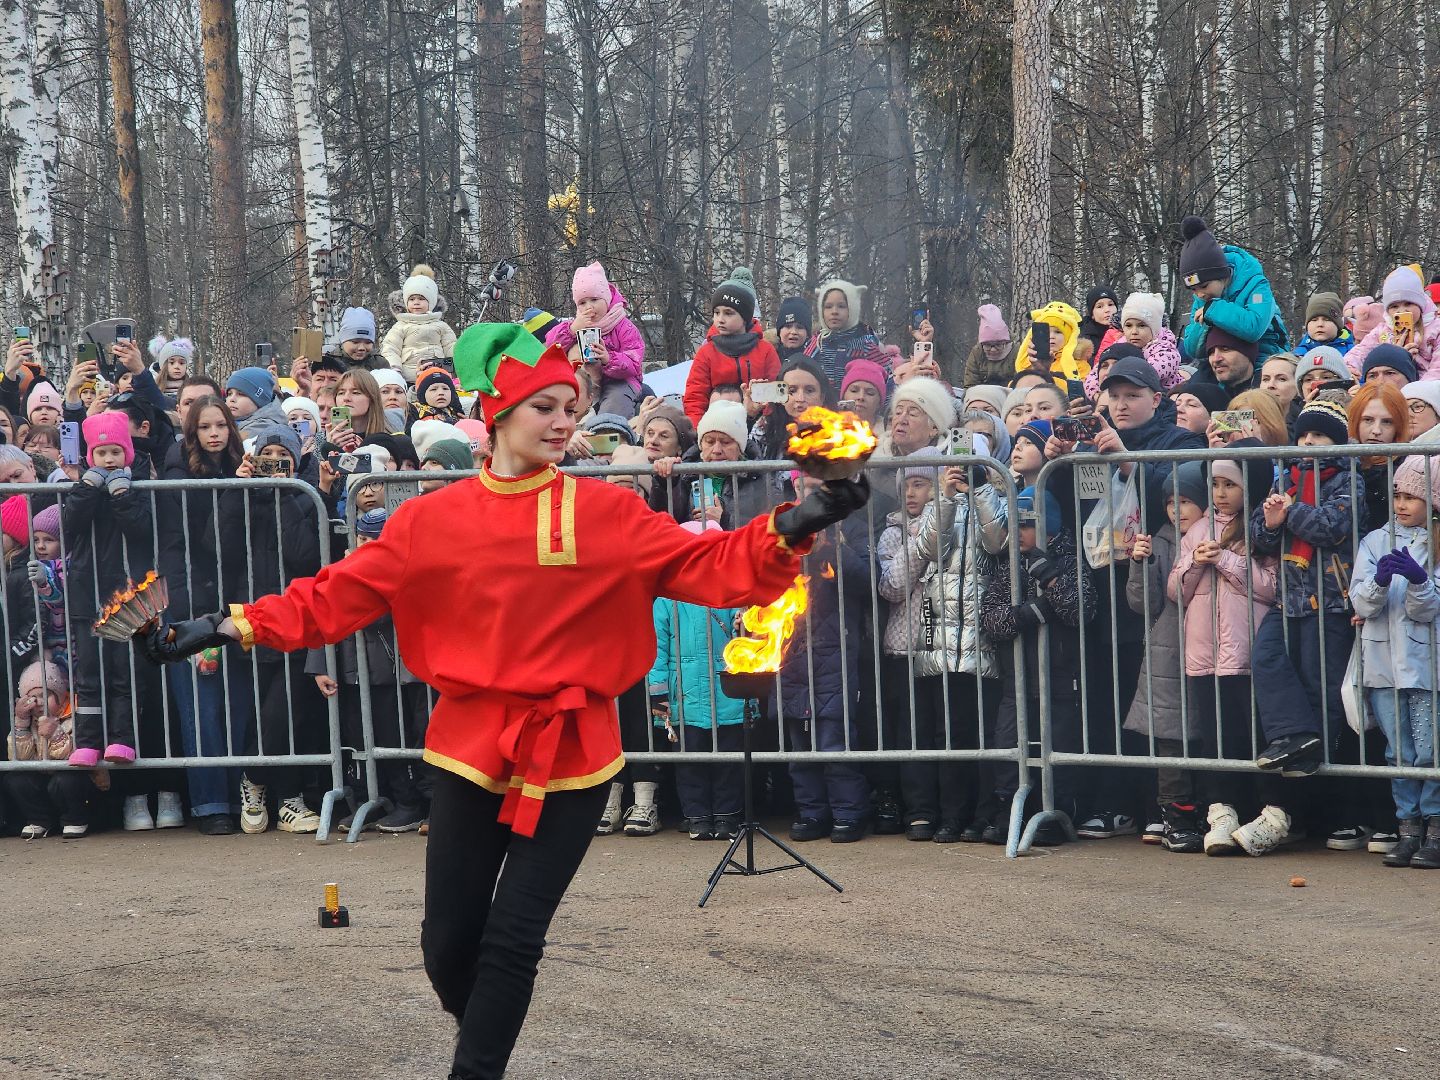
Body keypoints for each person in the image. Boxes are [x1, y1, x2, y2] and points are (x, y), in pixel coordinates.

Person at [138, 322, 866, 1080]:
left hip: (574, 751)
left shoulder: (608, 512)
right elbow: (336, 597)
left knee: (514, 937)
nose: (562, 423)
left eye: (571, 410)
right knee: (447, 944)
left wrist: (803, 517)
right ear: (498, 415)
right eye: (545, 407)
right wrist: (228, 624)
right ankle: (483, 1039)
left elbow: (711, 564)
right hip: (468, 745)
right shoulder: (429, 520)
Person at [1246, 399, 1360, 852]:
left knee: (1324, 690)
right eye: (1304, 435)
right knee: (1265, 656)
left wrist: (1288, 513)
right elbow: (1259, 534)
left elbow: (1332, 525)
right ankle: (1294, 737)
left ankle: (1332, 809)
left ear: (1337, 444)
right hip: (1288, 599)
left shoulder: (1345, 478)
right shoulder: (1284, 478)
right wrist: (1273, 521)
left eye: (1320, 437)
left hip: (1330, 602)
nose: (1308, 443)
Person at [1166, 459, 1280, 855]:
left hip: (1246, 653)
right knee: (1216, 737)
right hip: (1203, 656)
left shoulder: (1258, 528)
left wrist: (1226, 560)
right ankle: (1221, 812)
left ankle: (1258, 813)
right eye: (1214, 484)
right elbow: (1176, 591)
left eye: (1229, 484)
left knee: (1252, 734)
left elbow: (1269, 586)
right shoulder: (1197, 529)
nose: (1219, 493)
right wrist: (1196, 562)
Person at [222, 426, 328, 834]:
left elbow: (305, 556)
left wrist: (285, 493)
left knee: (287, 711)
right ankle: (265, 787)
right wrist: (239, 490)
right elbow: (220, 547)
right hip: (248, 617)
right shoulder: (242, 494)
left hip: (295, 618)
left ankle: (273, 788)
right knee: (262, 713)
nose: (274, 462)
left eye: (281, 455)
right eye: (266, 454)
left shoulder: (304, 498)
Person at [978, 486, 1095, 843]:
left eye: (1026, 524)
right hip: (1017, 677)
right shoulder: (1009, 566)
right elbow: (992, 620)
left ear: (1049, 526)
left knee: (1057, 741)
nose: (1019, 532)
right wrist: (1031, 613)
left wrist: (1050, 575)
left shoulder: (1071, 560)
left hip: (1061, 677)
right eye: (1015, 523)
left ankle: (1055, 811)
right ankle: (1007, 809)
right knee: (1009, 741)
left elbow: (1080, 610)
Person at [158, 394, 249, 834]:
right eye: (205, 427)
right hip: (191, 599)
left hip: (236, 597)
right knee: (201, 705)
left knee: (238, 703)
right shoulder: (179, 474)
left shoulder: (239, 464)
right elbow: (206, 540)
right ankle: (212, 803)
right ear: (191, 432)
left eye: (221, 425)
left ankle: (239, 797)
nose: (215, 434)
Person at [1350, 455, 1440, 867]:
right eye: (1398, 495)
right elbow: (1361, 601)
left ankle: (1434, 829)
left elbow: (1428, 609)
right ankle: (1407, 827)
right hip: (1385, 665)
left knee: (1429, 751)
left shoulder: (1435, 546)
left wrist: (1420, 581)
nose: (1401, 504)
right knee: (1398, 752)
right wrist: (1379, 580)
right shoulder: (1374, 541)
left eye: (1413, 497)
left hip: (1425, 669)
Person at [781, 470, 873, 843]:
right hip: (789, 656)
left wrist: (834, 546)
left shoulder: (849, 532)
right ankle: (811, 812)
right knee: (798, 749)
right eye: (803, 489)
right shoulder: (785, 531)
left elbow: (868, 581)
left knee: (835, 742)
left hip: (834, 656)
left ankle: (849, 813)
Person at [62, 412, 152, 767]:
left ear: (126, 452)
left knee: (122, 670)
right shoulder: (83, 487)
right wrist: (87, 489)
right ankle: (87, 741)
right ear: (91, 456)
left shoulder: (137, 484)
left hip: (126, 592)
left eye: (115, 451)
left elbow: (142, 529)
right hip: (88, 589)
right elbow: (70, 526)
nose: (109, 460)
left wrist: (122, 497)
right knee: (89, 672)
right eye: (102, 453)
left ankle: (121, 739)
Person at [647, 522, 745, 841]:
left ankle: (726, 817)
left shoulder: (732, 591)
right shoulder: (666, 600)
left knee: (728, 760)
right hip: (684, 696)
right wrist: (658, 695)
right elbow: (656, 652)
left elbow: (747, 637)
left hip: (726, 690)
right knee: (690, 761)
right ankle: (698, 817)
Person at [1124, 463, 1201, 848]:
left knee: (1214, 732)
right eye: (1171, 502)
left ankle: (1213, 809)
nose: (1177, 509)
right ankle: (1173, 814)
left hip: (1212, 648)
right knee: (1172, 737)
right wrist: (1141, 563)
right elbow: (1142, 602)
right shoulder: (1160, 540)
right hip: (1168, 652)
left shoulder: (1222, 537)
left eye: (1186, 501)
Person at [7, 660, 101, 838]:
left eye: (45, 696)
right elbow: (17, 758)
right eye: (32, 698)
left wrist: (56, 734)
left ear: (60, 695)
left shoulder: (75, 713)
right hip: (44, 779)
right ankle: (40, 820)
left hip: (75, 778)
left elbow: (76, 756)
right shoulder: (27, 719)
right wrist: (20, 724)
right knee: (16, 779)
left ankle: (75, 819)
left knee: (66, 780)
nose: (39, 702)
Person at [1177, 214, 1288, 363]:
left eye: (1204, 286)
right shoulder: (1203, 298)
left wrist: (1213, 310)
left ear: (1221, 275)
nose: (1199, 294)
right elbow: (1193, 349)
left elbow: (1254, 327)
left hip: (1266, 357)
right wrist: (1204, 324)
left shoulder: (1256, 286)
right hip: (1221, 359)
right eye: (1193, 289)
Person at [544, 261, 645, 417]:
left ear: (606, 299)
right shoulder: (575, 325)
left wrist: (608, 359)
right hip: (585, 380)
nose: (589, 307)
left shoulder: (623, 326)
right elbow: (550, 346)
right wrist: (571, 330)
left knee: (615, 403)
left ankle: (609, 430)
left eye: (594, 300)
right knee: (569, 399)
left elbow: (634, 363)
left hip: (619, 382)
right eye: (582, 303)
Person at [683, 273, 780, 425]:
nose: (720, 319)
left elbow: (775, 394)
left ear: (745, 317)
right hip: (716, 430)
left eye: (728, 313)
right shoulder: (707, 352)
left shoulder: (765, 351)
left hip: (759, 428)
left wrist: (767, 423)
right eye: (716, 313)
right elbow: (695, 397)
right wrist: (698, 433)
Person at [1346, 265, 1440, 379]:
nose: (1401, 310)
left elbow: (1437, 368)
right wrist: (1349, 366)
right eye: (1394, 306)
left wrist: (1419, 390)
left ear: (1420, 304)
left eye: (1408, 304)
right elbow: (1362, 350)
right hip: (1390, 386)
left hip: (1426, 389)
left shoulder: (1435, 329)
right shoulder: (1382, 331)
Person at [804, 278, 887, 389]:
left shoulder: (865, 343)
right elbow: (802, 372)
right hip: (821, 405)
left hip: (856, 403)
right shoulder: (816, 343)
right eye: (828, 307)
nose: (834, 312)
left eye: (841, 306)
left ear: (853, 308)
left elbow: (886, 377)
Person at [381, 264, 457, 382]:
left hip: (438, 376)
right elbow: (391, 348)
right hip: (410, 378)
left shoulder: (441, 326)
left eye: (421, 299)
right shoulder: (401, 325)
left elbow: (450, 346)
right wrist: (395, 369)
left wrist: (459, 364)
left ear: (431, 302)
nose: (416, 302)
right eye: (412, 299)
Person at [1015, 302, 1086, 384]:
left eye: (1058, 332)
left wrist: (1044, 378)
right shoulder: (1028, 362)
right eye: (1047, 331)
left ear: (1069, 336)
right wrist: (1035, 370)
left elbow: (1082, 391)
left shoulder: (1079, 365)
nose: (1051, 336)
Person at [963, 305, 1016, 388]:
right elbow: (970, 385)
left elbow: (1021, 382)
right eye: (988, 345)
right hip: (982, 396)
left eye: (998, 345)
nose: (993, 349)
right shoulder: (977, 353)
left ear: (1005, 342)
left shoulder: (1016, 351)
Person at [1293, 292, 1355, 358]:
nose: (1320, 324)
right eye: (1314, 320)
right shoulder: (1297, 355)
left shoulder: (1353, 354)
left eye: (1326, 319)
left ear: (1338, 325)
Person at [147, 335, 194, 401]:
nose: (177, 367)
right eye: (172, 363)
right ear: (163, 365)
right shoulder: (151, 387)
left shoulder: (192, 389)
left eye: (181, 363)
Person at [774, 297, 812, 361]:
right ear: (779, 331)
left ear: (807, 333)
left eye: (799, 327)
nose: (793, 332)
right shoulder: (767, 357)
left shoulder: (816, 358)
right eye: (788, 326)